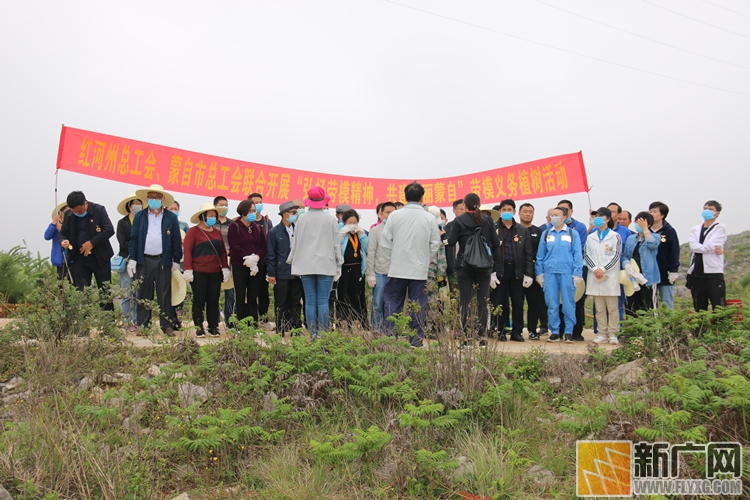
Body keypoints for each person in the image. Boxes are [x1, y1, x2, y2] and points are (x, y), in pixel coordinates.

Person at [380, 182, 440, 347]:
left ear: (405, 197)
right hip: (419, 270)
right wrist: (425, 260)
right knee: (417, 305)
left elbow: (385, 242)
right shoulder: (428, 217)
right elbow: (435, 244)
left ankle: (391, 338)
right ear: (422, 198)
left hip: (397, 268)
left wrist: (393, 259)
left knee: (392, 303)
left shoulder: (395, 216)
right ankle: (416, 340)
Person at [287, 186, 343, 338]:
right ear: (323, 201)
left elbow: (295, 243)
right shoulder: (330, 220)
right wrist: (339, 263)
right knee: (323, 301)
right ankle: (323, 334)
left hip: (306, 264)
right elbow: (336, 243)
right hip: (326, 263)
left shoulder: (301, 219)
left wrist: (292, 260)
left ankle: (313, 334)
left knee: (310, 301)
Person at [126, 185, 182, 335]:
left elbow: (176, 239)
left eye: (157, 197)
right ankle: (144, 325)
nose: (154, 200)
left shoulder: (170, 217)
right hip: (144, 260)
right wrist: (132, 259)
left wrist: (176, 260)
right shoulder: (140, 216)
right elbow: (134, 239)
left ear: (163, 199)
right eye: (151, 197)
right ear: (147, 199)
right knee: (144, 293)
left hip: (163, 260)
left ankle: (167, 325)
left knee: (164, 293)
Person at [447, 192, 501, 345]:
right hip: (484, 267)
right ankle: (483, 337)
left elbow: (451, 242)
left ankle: (467, 337)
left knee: (465, 300)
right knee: (483, 301)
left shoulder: (459, 221)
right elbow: (496, 243)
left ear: (464, 205)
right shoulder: (488, 221)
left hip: (464, 266)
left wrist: (444, 238)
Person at [58, 191, 115, 310]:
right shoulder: (69, 215)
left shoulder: (99, 210)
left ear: (85, 203)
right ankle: (84, 325)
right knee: (82, 291)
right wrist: (63, 241)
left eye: (80, 210)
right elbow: (62, 234)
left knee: (104, 290)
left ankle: (107, 324)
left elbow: (109, 230)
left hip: (100, 257)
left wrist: (92, 243)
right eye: (75, 212)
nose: (78, 213)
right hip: (80, 259)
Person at [535, 206, 583, 343]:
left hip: (567, 273)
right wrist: (540, 274)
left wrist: (577, 274)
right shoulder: (546, 234)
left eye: (557, 215)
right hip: (550, 273)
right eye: (552, 215)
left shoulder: (572, 234)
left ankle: (568, 331)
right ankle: (555, 332)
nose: (553, 217)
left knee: (568, 303)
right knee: (552, 303)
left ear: (564, 217)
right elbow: (540, 256)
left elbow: (577, 255)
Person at [182, 203, 229, 338]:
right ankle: (198, 327)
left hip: (215, 272)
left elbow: (222, 253)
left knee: (213, 300)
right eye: (210, 216)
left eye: (214, 216)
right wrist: (188, 269)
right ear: (203, 216)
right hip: (199, 271)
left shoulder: (217, 233)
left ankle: (213, 326)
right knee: (199, 300)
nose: (213, 218)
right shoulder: (193, 232)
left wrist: (225, 268)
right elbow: (188, 251)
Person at [491, 199, 534, 342]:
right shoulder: (494, 228)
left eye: (509, 210)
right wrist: (491, 272)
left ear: (514, 212)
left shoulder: (522, 230)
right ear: (500, 212)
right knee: (499, 302)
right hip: (500, 270)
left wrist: (529, 274)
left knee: (518, 302)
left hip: (517, 270)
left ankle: (517, 331)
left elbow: (528, 253)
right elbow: (489, 251)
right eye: (503, 210)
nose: (506, 212)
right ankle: (500, 330)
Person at [584, 207, 622, 345]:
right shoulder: (590, 237)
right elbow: (586, 255)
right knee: (599, 308)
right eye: (595, 216)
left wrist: (603, 269)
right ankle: (602, 333)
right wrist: (595, 269)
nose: (597, 218)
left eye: (600, 216)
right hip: (595, 276)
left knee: (612, 308)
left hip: (609, 276)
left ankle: (613, 333)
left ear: (607, 219)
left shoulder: (615, 236)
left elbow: (616, 256)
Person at [228, 200, 267, 326]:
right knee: (240, 296)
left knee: (252, 297)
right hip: (240, 266)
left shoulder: (258, 227)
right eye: (250, 211)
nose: (253, 213)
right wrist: (247, 260)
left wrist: (256, 258)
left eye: (254, 210)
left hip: (256, 267)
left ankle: (253, 324)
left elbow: (263, 246)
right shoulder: (235, 226)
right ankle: (240, 324)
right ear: (243, 212)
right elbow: (235, 246)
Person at [267, 201, 303, 336]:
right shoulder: (274, 232)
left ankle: (296, 328)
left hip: (297, 272)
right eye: (293, 213)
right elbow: (271, 254)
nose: (295, 215)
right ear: (284, 214)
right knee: (281, 302)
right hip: (281, 273)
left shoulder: (298, 229)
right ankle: (280, 327)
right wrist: (271, 273)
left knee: (296, 301)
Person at [557, 199, 589, 341]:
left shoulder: (579, 227)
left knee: (576, 300)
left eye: (566, 209)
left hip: (575, 268)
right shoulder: (552, 229)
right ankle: (560, 330)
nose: (563, 212)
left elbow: (579, 249)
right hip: (558, 270)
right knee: (560, 300)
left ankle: (576, 331)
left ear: (571, 211)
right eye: (560, 210)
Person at [688, 200, 727, 312]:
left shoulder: (720, 228)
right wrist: (711, 249)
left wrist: (707, 248)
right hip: (697, 272)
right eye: (705, 208)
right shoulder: (695, 229)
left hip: (713, 272)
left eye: (710, 209)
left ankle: (719, 329)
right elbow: (693, 246)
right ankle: (701, 329)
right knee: (699, 306)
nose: (707, 211)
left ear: (717, 213)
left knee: (718, 305)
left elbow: (708, 246)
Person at [621, 212, 661, 315]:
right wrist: (627, 265)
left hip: (648, 278)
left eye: (641, 223)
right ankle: (633, 329)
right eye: (637, 222)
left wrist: (645, 230)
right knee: (632, 306)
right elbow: (624, 255)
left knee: (648, 307)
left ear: (649, 224)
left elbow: (652, 245)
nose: (638, 225)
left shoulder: (655, 237)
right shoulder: (631, 238)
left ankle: (652, 330)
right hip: (633, 277)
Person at [518, 202, 548, 337]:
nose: (528, 214)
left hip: (534, 272)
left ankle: (532, 330)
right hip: (517, 272)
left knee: (534, 303)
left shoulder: (538, 232)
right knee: (518, 302)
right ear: (519, 213)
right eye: (525, 211)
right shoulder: (515, 229)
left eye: (530, 211)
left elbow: (542, 252)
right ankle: (517, 330)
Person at [366, 201, 396, 332]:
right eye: (387, 212)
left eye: (393, 212)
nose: (390, 215)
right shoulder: (375, 231)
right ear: (381, 214)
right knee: (378, 303)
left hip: (396, 272)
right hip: (380, 272)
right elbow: (371, 252)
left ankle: (390, 331)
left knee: (392, 305)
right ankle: (376, 330)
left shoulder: (399, 230)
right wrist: (370, 273)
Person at [337, 209, 369, 327]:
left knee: (358, 295)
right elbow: (337, 247)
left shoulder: (360, 233)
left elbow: (367, 248)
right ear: (344, 222)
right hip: (344, 269)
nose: (352, 225)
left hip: (357, 269)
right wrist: (341, 235)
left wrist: (362, 236)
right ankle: (345, 323)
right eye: (350, 222)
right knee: (344, 295)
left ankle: (361, 321)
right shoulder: (340, 232)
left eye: (355, 222)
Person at [115, 194, 142, 328]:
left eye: (139, 202)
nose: (137, 205)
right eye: (134, 203)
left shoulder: (144, 221)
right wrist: (133, 252)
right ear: (129, 206)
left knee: (138, 292)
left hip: (141, 261)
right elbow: (122, 242)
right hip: (127, 260)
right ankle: (126, 320)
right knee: (126, 292)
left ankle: (137, 320)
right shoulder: (123, 222)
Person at [649, 201, 680, 310]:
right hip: (649, 274)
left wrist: (673, 270)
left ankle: (669, 326)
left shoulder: (669, 231)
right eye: (650, 211)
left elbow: (674, 251)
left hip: (665, 273)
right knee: (650, 303)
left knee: (667, 302)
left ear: (662, 215)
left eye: (655, 211)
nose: (652, 214)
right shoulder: (646, 231)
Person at [247, 193, 272, 325]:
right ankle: (252, 320)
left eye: (260, 202)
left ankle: (264, 318)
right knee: (251, 293)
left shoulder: (267, 221)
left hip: (264, 261)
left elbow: (270, 242)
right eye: (255, 202)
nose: (258, 205)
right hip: (248, 262)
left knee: (263, 292)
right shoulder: (244, 221)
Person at [214, 196, 236, 328]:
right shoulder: (211, 223)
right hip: (214, 261)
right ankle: (214, 321)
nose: (224, 207)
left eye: (226, 205)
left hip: (229, 261)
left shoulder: (231, 224)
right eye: (221, 204)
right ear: (215, 206)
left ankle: (229, 320)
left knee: (230, 293)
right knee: (214, 292)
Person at [426, 205, 449, 331]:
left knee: (419, 300)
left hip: (419, 272)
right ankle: (429, 327)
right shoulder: (437, 232)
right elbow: (441, 257)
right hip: (433, 273)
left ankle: (421, 327)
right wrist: (441, 274)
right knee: (432, 301)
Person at [45, 202, 72, 282]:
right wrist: (53, 223)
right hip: (61, 259)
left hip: (72, 259)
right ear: (61, 213)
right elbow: (47, 236)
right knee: (62, 284)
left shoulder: (73, 224)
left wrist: (61, 230)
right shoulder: (55, 226)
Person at [444, 198, 465, 289]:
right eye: (460, 209)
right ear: (454, 210)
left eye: (465, 209)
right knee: (455, 297)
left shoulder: (472, 225)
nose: (463, 212)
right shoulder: (448, 228)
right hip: (453, 267)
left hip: (469, 268)